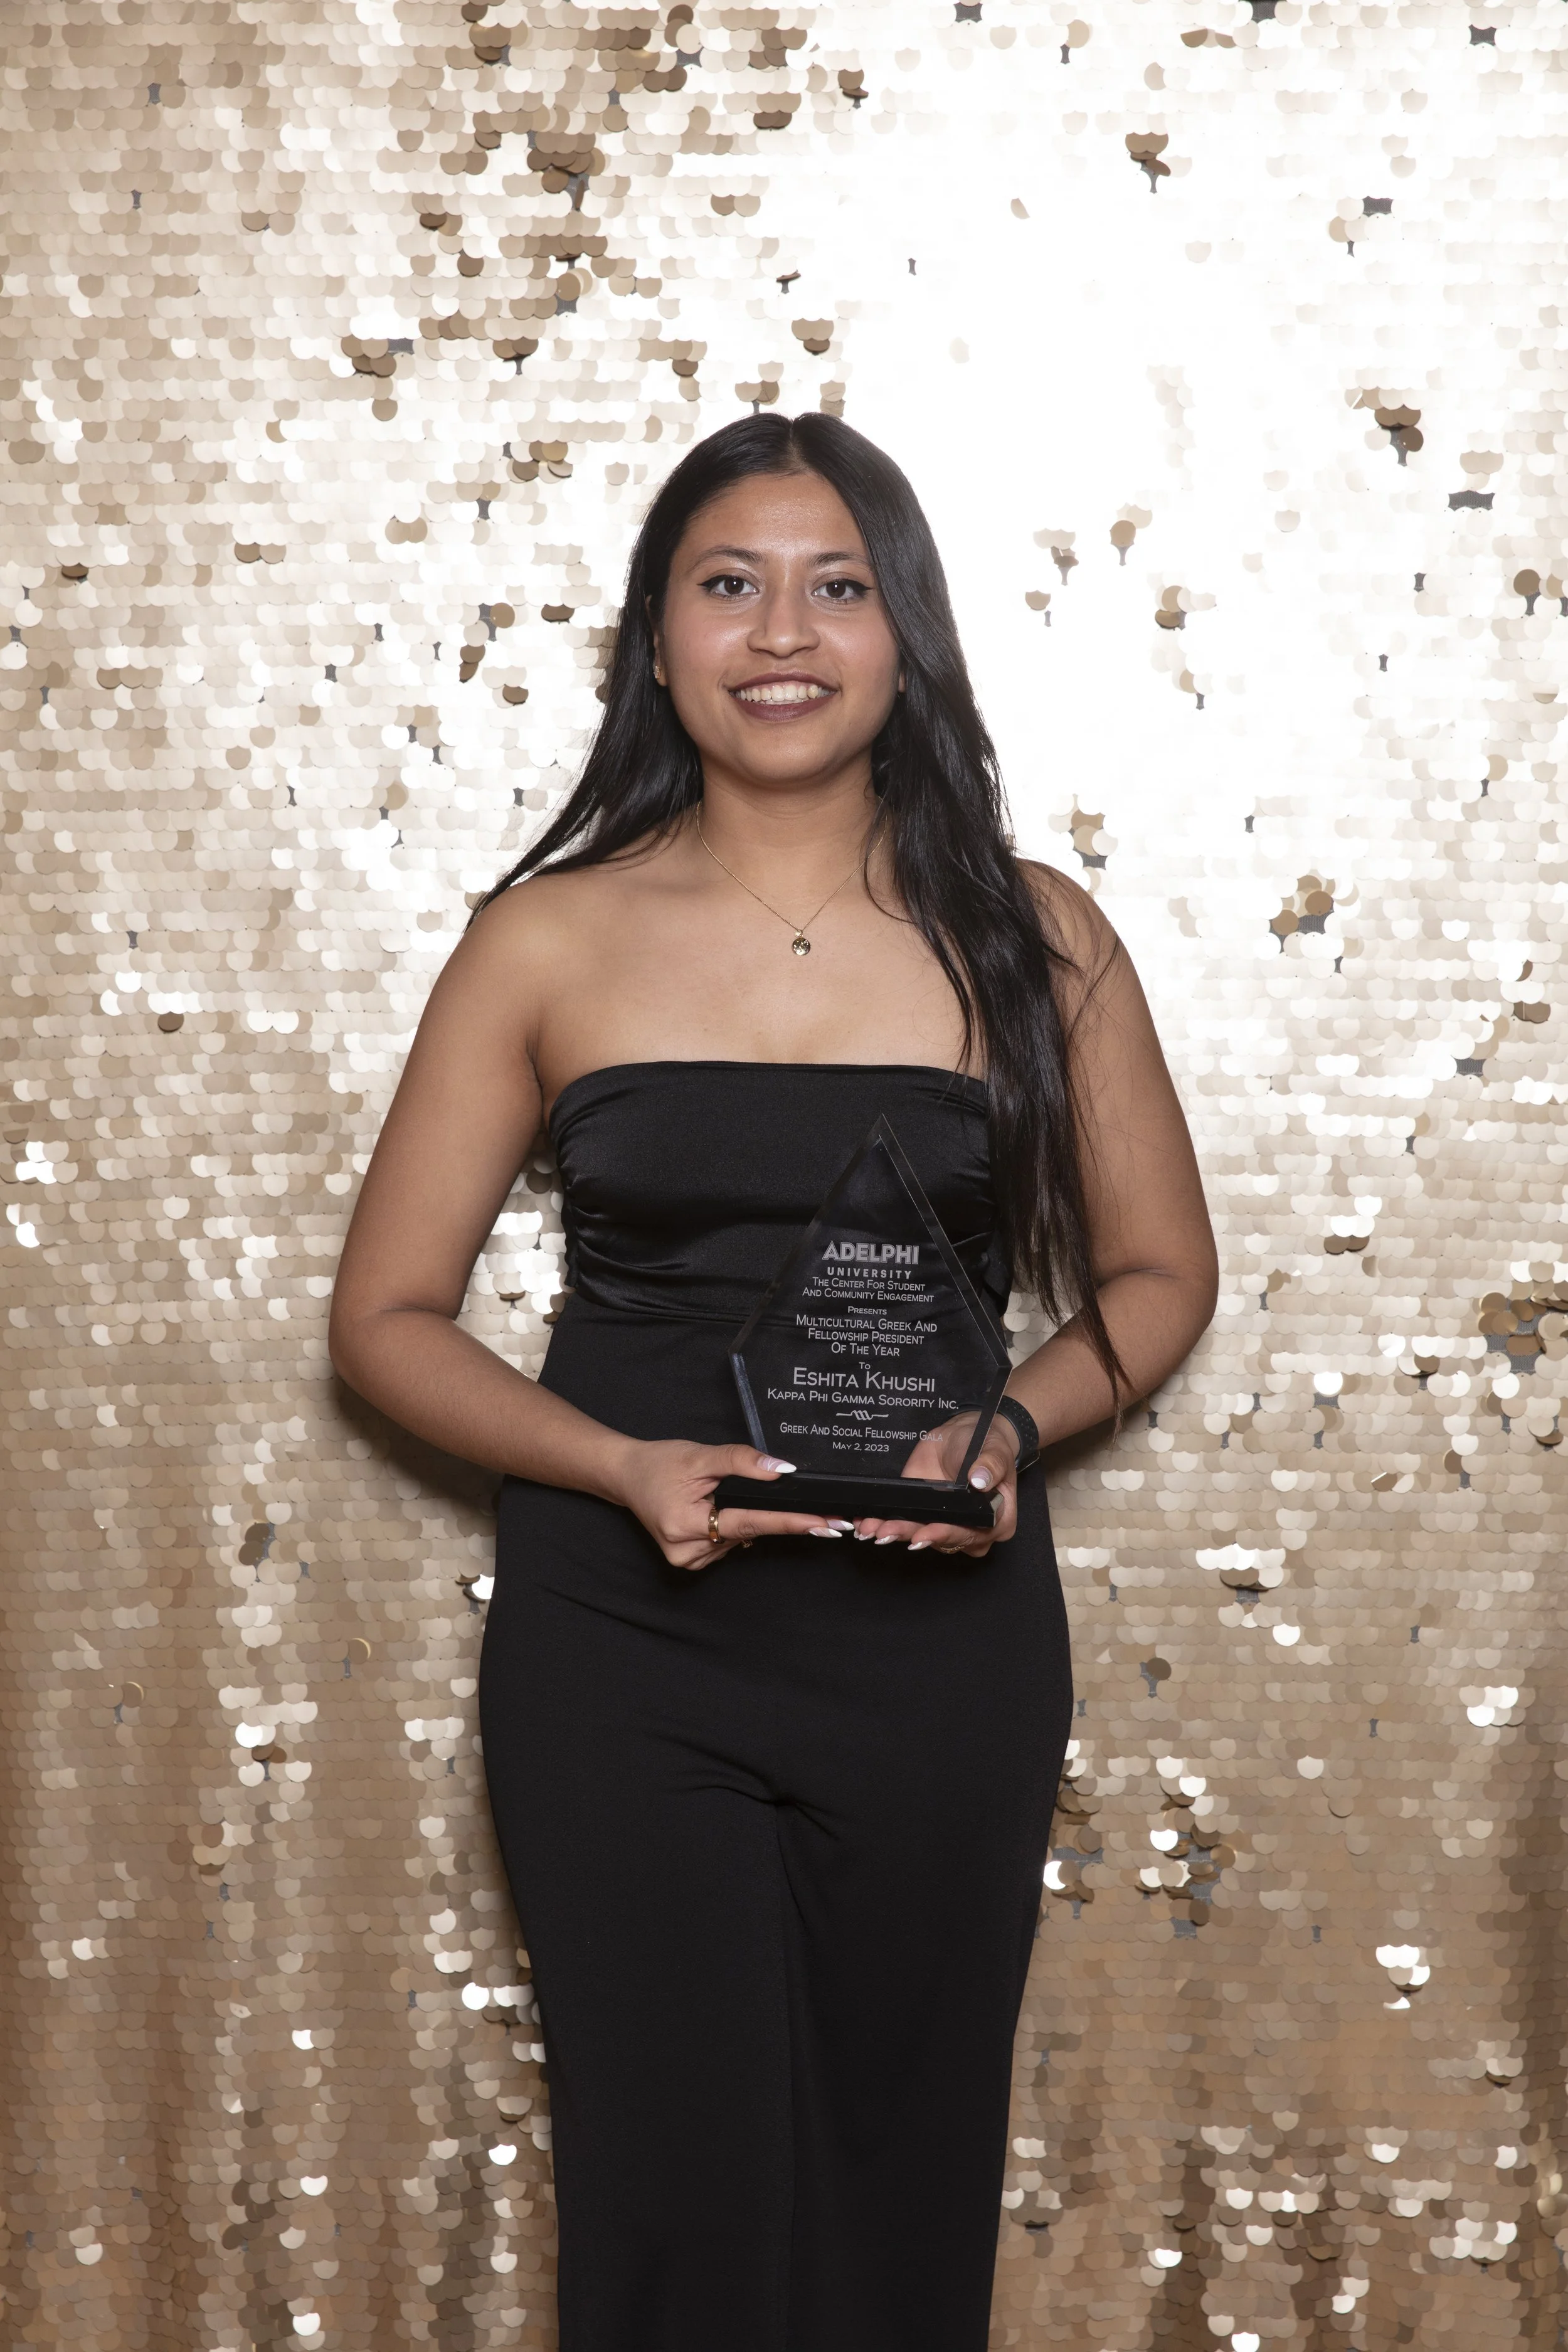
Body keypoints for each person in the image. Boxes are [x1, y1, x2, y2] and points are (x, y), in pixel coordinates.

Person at [329, 412, 1217, 2352]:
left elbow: (1159, 1278)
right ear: (656, 640)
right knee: (673, 2201)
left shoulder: (1034, 932)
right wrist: (614, 1464)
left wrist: (1008, 1422)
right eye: (727, 583)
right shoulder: (545, 934)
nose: (782, 628)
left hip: (941, 1644)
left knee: (900, 2188)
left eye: (839, 582)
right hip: (627, 1642)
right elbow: (385, 1319)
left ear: (909, 632)